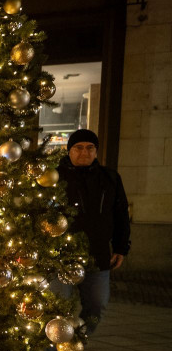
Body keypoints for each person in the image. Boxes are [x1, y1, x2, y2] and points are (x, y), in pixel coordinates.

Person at [55, 129, 130, 334]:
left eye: (90, 148)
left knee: (97, 305)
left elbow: (121, 214)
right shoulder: (54, 177)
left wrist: (121, 247)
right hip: (60, 256)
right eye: (78, 148)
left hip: (96, 254)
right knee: (57, 307)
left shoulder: (110, 178)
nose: (84, 153)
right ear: (69, 150)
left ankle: (77, 343)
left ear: (96, 152)